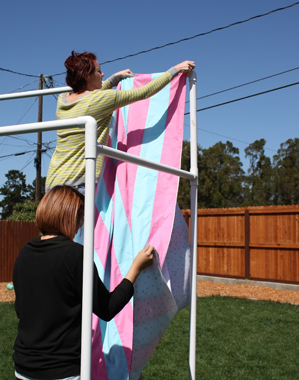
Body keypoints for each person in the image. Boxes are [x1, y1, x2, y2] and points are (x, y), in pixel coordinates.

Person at [12, 185, 155, 380]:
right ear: (72, 216)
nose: (81, 225)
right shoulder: (75, 255)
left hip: (24, 368)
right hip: (62, 371)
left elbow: (21, 310)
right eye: (82, 217)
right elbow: (107, 308)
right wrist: (135, 268)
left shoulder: (25, 253)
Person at [46, 51, 195, 192]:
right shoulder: (103, 98)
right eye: (99, 71)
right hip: (77, 183)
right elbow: (144, 92)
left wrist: (114, 78)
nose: (102, 74)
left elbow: (90, 94)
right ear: (87, 76)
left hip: (53, 181)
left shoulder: (62, 99)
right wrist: (174, 70)